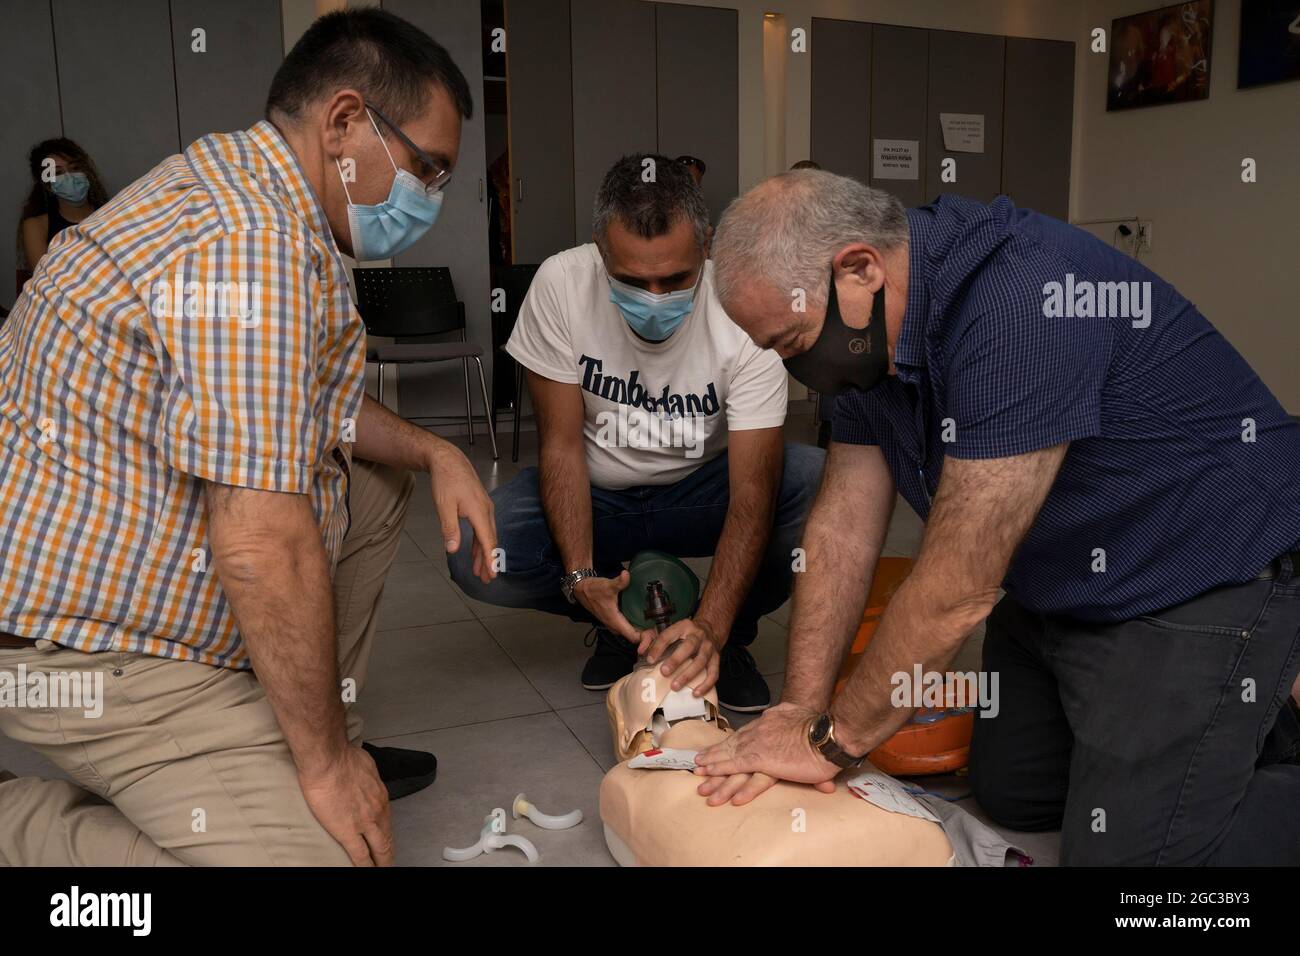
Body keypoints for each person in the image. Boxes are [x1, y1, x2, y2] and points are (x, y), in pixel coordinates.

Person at [0, 8, 497, 866]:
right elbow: (260, 542)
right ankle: (28, 829)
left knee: (374, 481)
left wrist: (438, 449)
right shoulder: (250, 240)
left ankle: (289, 723)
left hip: (126, 582)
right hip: (84, 648)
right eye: (427, 170)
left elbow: (323, 407)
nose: (431, 200)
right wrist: (328, 767)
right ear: (344, 122)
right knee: (329, 857)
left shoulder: (248, 190)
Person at [694, 169, 1300, 866]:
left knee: (1130, 861)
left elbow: (957, 589)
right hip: (1067, 584)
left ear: (857, 266)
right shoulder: (868, 336)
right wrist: (799, 713)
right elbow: (841, 528)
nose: (792, 364)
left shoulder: (1026, 303)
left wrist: (833, 742)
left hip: (1201, 571)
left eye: (791, 342)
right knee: (1017, 794)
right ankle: (1225, 727)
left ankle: (1253, 688)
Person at [447, 154, 824, 712]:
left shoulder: (747, 302)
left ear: (708, 245)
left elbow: (752, 492)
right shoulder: (561, 284)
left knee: (817, 486)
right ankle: (618, 620)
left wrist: (715, 625)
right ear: (601, 248)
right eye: (632, 280)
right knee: (477, 556)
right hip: (601, 496)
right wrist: (577, 575)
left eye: (674, 279)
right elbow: (561, 446)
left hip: (704, 489)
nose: (653, 297)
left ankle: (723, 639)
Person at [16, 137, 108, 296]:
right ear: (47, 185)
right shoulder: (36, 226)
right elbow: (45, 283)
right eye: (58, 172)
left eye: (75, 168)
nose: (69, 177)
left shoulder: (110, 213)